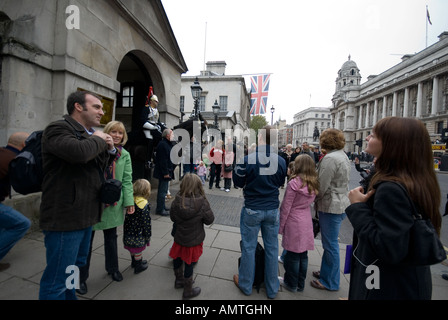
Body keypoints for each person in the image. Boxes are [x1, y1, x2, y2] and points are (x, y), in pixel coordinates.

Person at [346, 117, 442, 300]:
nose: (366, 138)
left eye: (373, 135)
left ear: (391, 144)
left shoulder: (390, 188)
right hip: (405, 280)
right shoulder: (414, 179)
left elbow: (388, 248)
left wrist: (358, 207)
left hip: (386, 284)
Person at [39, 91, 116, 300]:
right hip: (66, 218)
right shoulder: (58, 129)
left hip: (86, 215)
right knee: (56, 280)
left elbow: (95, 169)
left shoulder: (89, 135)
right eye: (97, 107)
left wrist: (108, 151)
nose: (102, 111)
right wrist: (99, 139)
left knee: (73, 269)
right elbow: (79, 153)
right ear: (78, 107)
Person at [78, 121, 134, 294]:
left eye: (120, 133)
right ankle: (80, 278)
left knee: (111, 238)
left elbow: (126, 180)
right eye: (113, 132)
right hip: (93, 202)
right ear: (106, 133)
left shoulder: (125, 155)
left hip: (113, 202)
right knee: (85, 243)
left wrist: (129, 202)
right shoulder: (94, 149)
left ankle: (113, 269)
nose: (117, 135)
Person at [233, 125, 287, 299]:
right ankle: (272, 289)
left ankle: (246, 284)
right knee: (272, 248)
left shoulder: (247, 159)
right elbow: (280, 182)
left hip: (252, 208)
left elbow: (238, 182)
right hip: (271, 208)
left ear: (261, 138)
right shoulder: (281, 161)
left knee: (249, 247)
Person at [311, 128, 350, 291]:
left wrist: (311, 198)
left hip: (331, 205)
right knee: (330, 243)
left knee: (330, 245)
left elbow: (321, 186)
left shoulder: (330, 159)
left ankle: (331, 282)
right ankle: (326, 273)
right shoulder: (342, 155)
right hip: (340, 203)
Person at [169, 173, 214, 299]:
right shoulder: (202, 203)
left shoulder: (176, 201)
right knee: (189, 263)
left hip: (179, 238)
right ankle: (188, 290)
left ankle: (179, 280)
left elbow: (173, 218)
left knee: (177, 258)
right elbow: (209, 220)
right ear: (198, 186)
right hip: (193, 240)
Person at [279, 155, 319, 292]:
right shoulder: (313, 182)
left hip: (293, 220)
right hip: (306, 219)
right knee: (303, 255)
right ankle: (300, 284)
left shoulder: (294, 183)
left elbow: (286, 207)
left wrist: (281, 226)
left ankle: (290, 283)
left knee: (292, 256)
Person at [0, 132, 31, 271]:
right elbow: (25, 185)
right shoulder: (14, 160)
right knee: (22, 224)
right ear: (24, 145)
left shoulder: (3, 152)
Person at [123, 179, 152, 274]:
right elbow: (146, 222)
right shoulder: (144, 205)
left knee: (132, 248)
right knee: (138, 250)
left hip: (128, 232)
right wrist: (148, 235)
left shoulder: (131, 201)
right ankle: (138, 265)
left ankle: (134, 262)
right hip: (139, 233)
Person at [153, 128, 174, 216]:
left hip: (167, 171)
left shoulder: (167, 144)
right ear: (167, 135)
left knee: (164, 191)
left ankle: (162, 206)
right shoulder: (163, 144)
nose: (173, 136)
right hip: (164, 172)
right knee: (162, 191)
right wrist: (165, 173)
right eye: (172, 134)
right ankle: (160, 209)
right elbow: (163, 160)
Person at [142, 95, 166, 168]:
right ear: (151, 101)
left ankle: (156, 153)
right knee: (150, 140)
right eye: (156, 101)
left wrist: (164, 128)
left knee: (161, 136)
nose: (157, 103)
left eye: (157, 102)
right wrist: (152, 127)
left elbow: (157, 122)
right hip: (147, 127)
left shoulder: (156, 111)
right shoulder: (146, 108)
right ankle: (148, 160)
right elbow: (143, 120)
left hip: (155, 127)